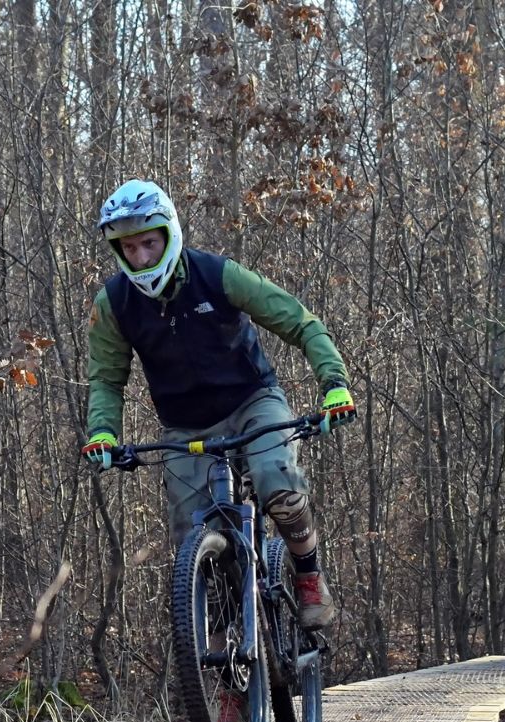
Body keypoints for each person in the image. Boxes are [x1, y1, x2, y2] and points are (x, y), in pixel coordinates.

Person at [81, 179, 356, 634]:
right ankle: (231, 672)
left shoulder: (217, 274)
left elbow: (302, 323)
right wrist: (103, 433)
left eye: (149, 243)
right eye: (129, 248)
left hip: (252, 402)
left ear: (169, 234)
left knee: (277, 484)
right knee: (195, 545)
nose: (141, 258)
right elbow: (106, 379)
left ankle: (308, 575)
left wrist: (335, 386)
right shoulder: (114, 304)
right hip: (185, 428)